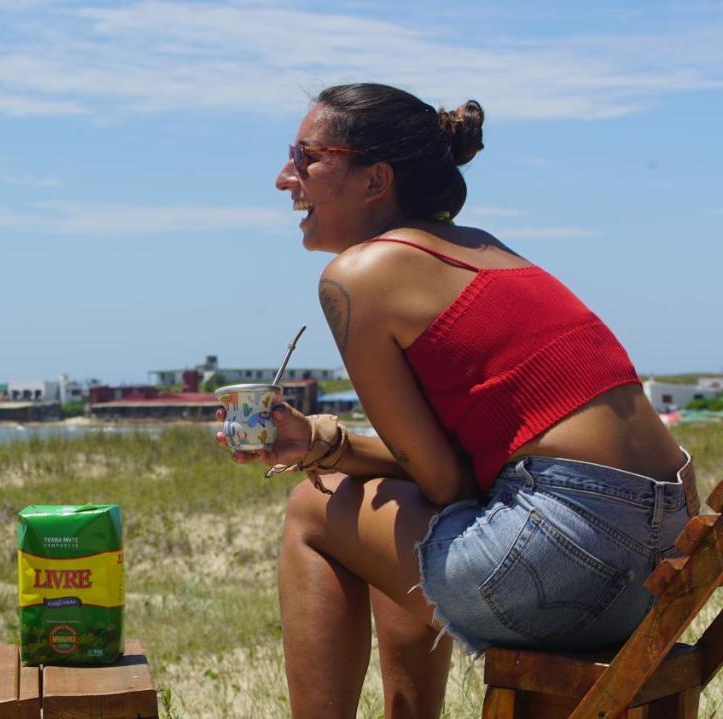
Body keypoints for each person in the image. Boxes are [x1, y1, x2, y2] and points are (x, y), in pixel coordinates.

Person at [217, 83, 694, 718]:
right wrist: (323, 443)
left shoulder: (360, 273)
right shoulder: (482, 248)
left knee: (315, 509)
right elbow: (450, 470)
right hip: (667, 567)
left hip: (570, 557)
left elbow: (441, 481)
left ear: (374, 179)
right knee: (397, 505)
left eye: (306, 156)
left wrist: (326, 457)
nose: (285, 177)